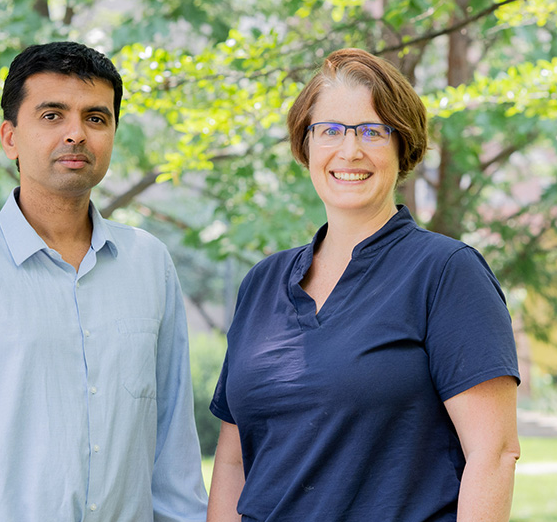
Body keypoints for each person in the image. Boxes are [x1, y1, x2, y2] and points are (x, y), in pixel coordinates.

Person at [0, 41, 208, 521]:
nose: (76, 134)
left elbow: (173, 443)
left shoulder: (149, 263)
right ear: (10, 137)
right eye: (52, 115)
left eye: (96, 118)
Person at [207, 48, 521, 521]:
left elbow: (493, 453)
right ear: (305, 144)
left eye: (373, 132)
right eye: (329, 130)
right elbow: (233, 460)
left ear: (403, 146)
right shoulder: (262, 283)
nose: (349, 151)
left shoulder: (446, 272)